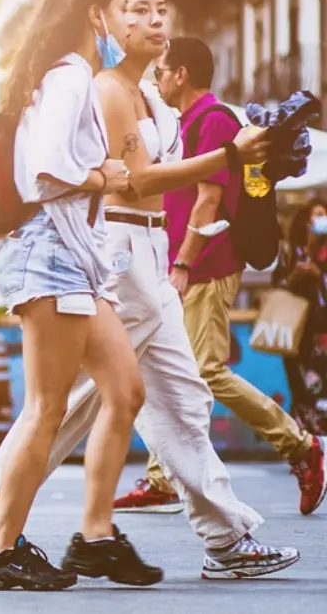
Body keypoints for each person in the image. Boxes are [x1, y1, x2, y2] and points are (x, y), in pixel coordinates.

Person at [0, 0, 298, 582]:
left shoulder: (142, 93)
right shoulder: (87, 81)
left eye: (162, 8)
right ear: (102, 17)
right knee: (64, 404)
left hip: (109, 255)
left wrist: (245, 159)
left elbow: (140, 167)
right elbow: (82, 172)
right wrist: (111, 173)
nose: (154, 21)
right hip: (107, 248)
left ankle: (124, 536)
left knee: (139, 395)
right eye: (133, 9)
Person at [0, 0, 159, 592]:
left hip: (74, 259)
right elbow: (46, 171)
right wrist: (107, 176)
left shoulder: (60, 79)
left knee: (125, 389)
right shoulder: (70, 77)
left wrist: (97, 170)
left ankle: (94, 537)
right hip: (53, 256)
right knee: (46, 409)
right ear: (93, 16)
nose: (124, 23)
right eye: (119, 10)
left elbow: (54, 162)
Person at [115, 35, 327, 516]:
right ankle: (162, 478)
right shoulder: (187, 121)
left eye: (161, 71)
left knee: (205, 370)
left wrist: (184, 264)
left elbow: (209, 199)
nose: (156, 79)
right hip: (185, 264)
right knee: (161, 366)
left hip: (206, 265)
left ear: (181, 74)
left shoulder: (213, 122)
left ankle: (300, 445)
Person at [272, 199, 327, 436]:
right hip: (295, 331)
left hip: (321, 330)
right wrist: (295, 276)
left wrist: (319, 276)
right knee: (300, 385)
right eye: (317, 215)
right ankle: (305, 443)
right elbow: (278, 285)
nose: (321, 220)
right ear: (305, 221)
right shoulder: (290, 253)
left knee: (320, 385)